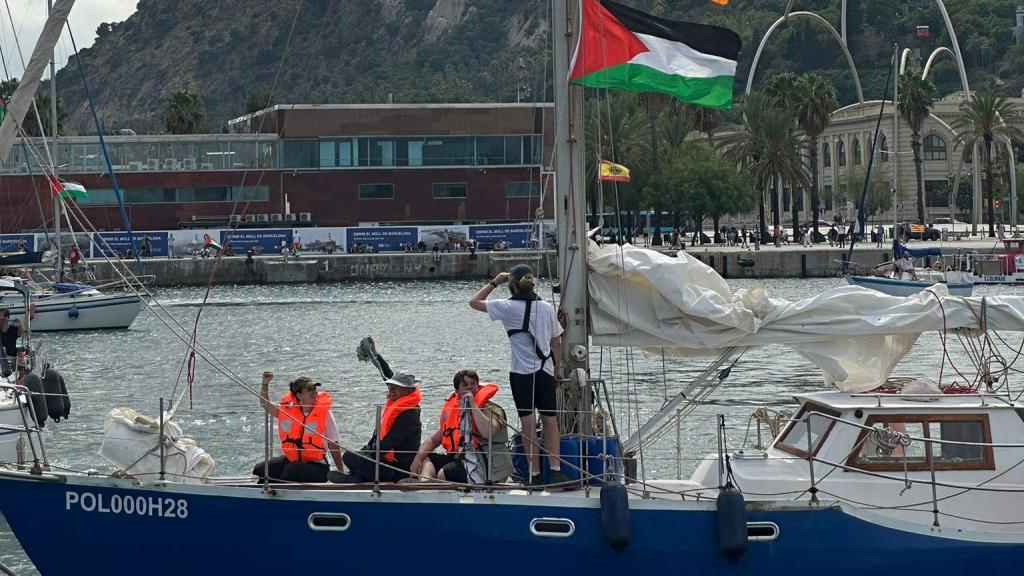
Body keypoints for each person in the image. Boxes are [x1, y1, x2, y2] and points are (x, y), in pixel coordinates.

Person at [470, 264, 568, 486]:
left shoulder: (506, 307)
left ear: (512, 286)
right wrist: (558, 368)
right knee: (551, 422)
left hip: (521, 374)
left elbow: (474, 302)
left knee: (528, 424)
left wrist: (495, 282)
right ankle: (556, 469)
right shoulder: (545, 308)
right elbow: (556, 342)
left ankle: (533, 474)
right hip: (545, 371)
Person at [333, 339, 422, 483]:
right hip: (387, 462)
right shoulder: (400, 401)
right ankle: (357, 477)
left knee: (349, 457)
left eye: (395, 388)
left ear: (408, 391)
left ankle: (357, 477)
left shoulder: (410, 415)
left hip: (398, 469)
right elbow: (387, 374)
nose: (390, 391)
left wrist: (367, 456)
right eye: (390, 387)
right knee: (358, 455)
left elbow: (388, 443)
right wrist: (375, 353)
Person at [410, 369, 513, 484]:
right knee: (426, 459)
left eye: (473, 384)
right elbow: (433, 440)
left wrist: (472, 405)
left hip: (485, 462)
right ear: (457, 391)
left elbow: (487, 432)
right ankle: (424, 489)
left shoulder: (491, 409)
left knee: (444, 473)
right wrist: (417, 458)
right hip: (459, 459)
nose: (470, 387)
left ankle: (438, 492)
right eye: (465, 385)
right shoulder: (455, 411)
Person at [253, 372, 345, 483]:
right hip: (293, 460)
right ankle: (266, 494)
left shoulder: (325, 413)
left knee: (291, 471)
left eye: (315, 389)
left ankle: (276, 493)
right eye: (309, 389)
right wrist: (264, 385)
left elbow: (333, 443)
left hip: (318, 466)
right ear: (299, 395)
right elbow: (265, 404)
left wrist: (340, 471)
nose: (314, 392)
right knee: (261, 469)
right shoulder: (288, 411)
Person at [0, 308, 24, 376]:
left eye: (2, 317)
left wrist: (20, 324)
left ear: (7, 318)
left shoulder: (13, 329)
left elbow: (22, 333)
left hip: (12, 359)